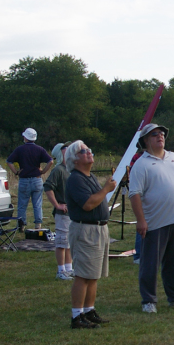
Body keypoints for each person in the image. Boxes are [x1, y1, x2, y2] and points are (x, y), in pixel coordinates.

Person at [128, 123, 174, 313]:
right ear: (145, 140)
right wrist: (141, 220)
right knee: (150, 264)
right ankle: (148, 300)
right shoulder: (141, 165)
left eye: (162, 134)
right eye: (154, 135)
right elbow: (134, 194)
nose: (160, 137)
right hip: (154, 222)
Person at [63, 140, 116, 329]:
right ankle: (77, 316)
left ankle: (89, 310)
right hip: (85, 230)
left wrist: (104, 189)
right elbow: (88, 204)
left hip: (98, 228)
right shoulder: (75, 179)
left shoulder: (89, 176)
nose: (89, 153)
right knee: (83, 275)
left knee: (93, 274)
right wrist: (106, 189)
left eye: (89, 150)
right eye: (83, 152)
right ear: (74, 160)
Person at [7, 127, 53, 228]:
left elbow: (9, 161)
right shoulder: (40, 149)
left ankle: (21, 225)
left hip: (24, 180)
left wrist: (16, 172)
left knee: (22, 205)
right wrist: (43, 171)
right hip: (37, 179)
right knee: (37, 204)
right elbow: (50, 161)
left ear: (26, 138)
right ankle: (38, 225)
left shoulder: (20, 149)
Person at [43, 142, 74, 280]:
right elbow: (48, 187)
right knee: (61, 242)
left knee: (69, 242)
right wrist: (57, 205)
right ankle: (60, 271)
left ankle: (69, 268)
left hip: (72, 212)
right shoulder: (58, 170)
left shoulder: (71, 169)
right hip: (63, 213)